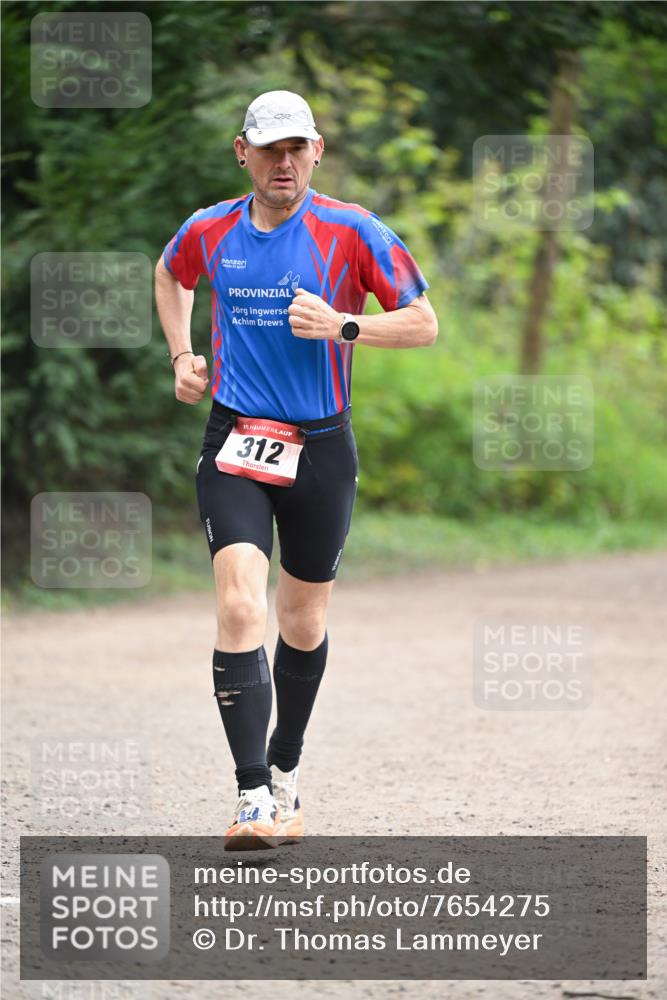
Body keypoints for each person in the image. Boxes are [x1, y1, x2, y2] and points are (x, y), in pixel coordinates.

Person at [155, 90, 437, 850]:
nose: (284, 162)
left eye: (297, 148)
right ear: (241, 152)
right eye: (269, 148)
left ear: (317, 152)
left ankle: (283, 771)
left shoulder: (353, 231)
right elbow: (170, 273)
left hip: (321, 448)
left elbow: (422, 321)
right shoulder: (210, 228)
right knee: (241, 606)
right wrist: (182, 355)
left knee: (301, 620)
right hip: (236, 442)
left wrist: (347, 325)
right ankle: (250, 797)